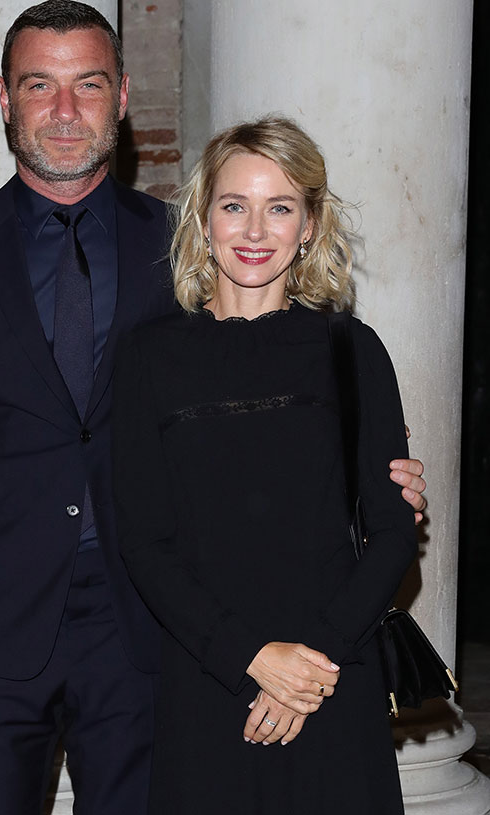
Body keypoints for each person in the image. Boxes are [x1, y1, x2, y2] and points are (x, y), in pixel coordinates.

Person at [0, 2, 427, 812]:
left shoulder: (181, 245)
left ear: (122, 96)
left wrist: (375, 479)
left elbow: (256, 390)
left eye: (88, 84)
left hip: (151, 635)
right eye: (39, 86)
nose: (65, 111)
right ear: (3, 98)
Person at [112, 116, 418, 814]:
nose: (255, 230)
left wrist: (309, 666)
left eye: (279, 206)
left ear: (309, 223)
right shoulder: (148, 358)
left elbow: (393, 532)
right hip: (208, 678)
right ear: (203, 216)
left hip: (333, 676)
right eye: (234, 205)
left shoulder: (353, 349)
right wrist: (251, 657)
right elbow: (145, 541)